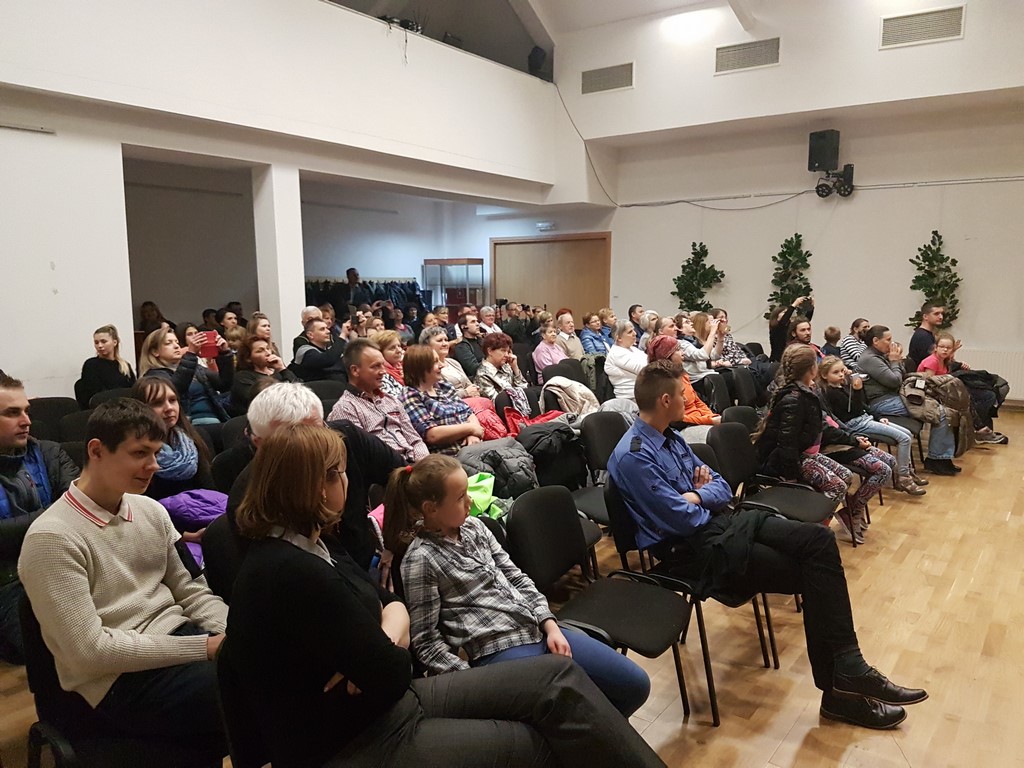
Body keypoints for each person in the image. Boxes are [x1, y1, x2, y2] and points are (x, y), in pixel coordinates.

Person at [222, 423, 665, 768]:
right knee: (538, 743)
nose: (349, 482)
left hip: (388, 701)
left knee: (558, 680)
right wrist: (385, 642)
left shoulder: (318, 543)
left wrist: (382, 634)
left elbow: (389, 606)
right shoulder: (290, 571)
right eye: (340, 473)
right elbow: (394, 668)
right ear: (317, 487)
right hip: (359, 735)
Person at [609, 361, 927, 730]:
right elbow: (682, 519)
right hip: (690, 551)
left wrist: (697, 495)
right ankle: (842, 689)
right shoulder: (635, 454)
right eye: (682, 394)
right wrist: (702, 497)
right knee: (814, 575)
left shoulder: (671, 438)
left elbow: (721, 486)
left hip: (723, 525)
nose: (687, 399)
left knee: (819, 541)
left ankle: (849, 673)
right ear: (665, 401)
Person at [18, 398, 228, 757]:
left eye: (156, 453)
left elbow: (193, 591)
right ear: (96, 451)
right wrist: (206, 648)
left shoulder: (151, 511)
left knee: (273, 663)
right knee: (259, 689)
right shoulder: (51, 538)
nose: (153, 465)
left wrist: (233, 635)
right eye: (140, 453)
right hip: (119, 680)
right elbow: (89, 653)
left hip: (179, 643)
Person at [385, 455, 651, 717]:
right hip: (498, 651)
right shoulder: (420, 559)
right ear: (431, 509)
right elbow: (426, 642)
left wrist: (550, 625)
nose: (471, 501)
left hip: (535, 628)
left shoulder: (475, 527)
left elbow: (517, 578)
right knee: (579, 710)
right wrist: (470, 682)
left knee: (635, 685)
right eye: (460, 497)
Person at [0, 375, 79, 664]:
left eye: (26, 411)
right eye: (12, 413)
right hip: (9, 583)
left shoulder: (49, 453)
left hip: (64, 564)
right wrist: (56, 516)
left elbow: (81, 510)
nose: (26, 421)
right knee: (55, 650)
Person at [753, 345, 872, 537]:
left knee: (846, 475)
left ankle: (815, 525)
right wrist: (791, 478)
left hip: (802, 453)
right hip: (783, 461)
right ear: (812, 369)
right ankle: (811, 534)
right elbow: (787, 444)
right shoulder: (794, 398)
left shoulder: (807, 391)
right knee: (837, 486)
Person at [857, 325, 959, 475]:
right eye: (888, 340)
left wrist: (897, 362)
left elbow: (902, 376)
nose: (892, 343)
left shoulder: (880, 355)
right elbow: (894, 382)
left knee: (942, 408)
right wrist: (894, 362)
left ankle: (941, 458)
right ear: (876, 341)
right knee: (940, 412)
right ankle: (937, 459)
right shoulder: (870, 359)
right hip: (882, 403)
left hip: (894, 397)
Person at [817, 356, 927, 495]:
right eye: (836, 372)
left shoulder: (842, 385)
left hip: (865, 418)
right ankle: (904, 477)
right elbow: (855, 410)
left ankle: (907, 470)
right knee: (904, 438)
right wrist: (857, 390)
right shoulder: (830, 393)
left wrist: (879, 417)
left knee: (908, 434)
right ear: (824, 375)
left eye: (842, 371)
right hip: (855, 424)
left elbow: (864, 405)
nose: (841, 375)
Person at [328, 339, 429, 463]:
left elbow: (415, 440)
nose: (383, 371)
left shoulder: (391, 400)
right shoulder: (346, 408)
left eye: (383, 365)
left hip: (415, 464)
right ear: (355, 370)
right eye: (376, 366)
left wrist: (424, 464)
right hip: (388, 470)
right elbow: (365, 457)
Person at [131, 378, 214, 502]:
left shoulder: (196, 437)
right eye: (157, 403)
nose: (169, 408)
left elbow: (210, 490)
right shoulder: (134, 449)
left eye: (172, 400)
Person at [918, 332, 1005, 444]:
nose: (945, 350)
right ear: (936, 348)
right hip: (931, 394)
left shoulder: (944, 360)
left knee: (973, 396)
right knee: (966, 399)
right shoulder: (932, 361)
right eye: (942, 347)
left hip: (942, 391)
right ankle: (979, 430)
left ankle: (979, 429)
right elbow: (929, 382)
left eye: (948, 348)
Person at [138, 326, 234, 425]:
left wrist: (224, 353)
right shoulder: (154, 376)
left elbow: (224, 384)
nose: (176, 346)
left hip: (215, 418)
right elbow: (177, 388)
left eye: (177, 342)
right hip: (189, 424)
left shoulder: (195, 368)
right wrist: (191, 354)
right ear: (155, 352)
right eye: (168, 343)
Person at [400, 346, 484, 455]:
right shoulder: (411, 396)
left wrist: (473, 434)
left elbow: (468, 413)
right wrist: (470, 429)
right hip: (449, 457)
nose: (442, 365)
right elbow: (432, 435)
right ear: (420, 367)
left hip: (473, 449)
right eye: (435, 362)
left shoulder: (444, 386)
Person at [646, 335, 719, 443]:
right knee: (721, 437)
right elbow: (675, 419)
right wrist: (709, 420)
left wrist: (711, 416)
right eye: (678, 350)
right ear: (667, 355)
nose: (682, 353)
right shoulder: (661, 382)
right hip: (684, 428)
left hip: (700, 420)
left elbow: (697, 401)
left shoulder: (682, 373)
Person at [231, 336, 297, 412]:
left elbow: (298, 388)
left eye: (268, 348)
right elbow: (261, 401)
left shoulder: (278, 370)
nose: (268, 353)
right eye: (260, 351)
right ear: (248, 358)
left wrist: (282, 368)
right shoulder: (243, 377)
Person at [78, 324, 136, 407]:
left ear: (115, 342)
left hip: (125, 407)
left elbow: (133, 391)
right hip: (103, 408)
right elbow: (94, 394)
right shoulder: (91, 365)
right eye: (96, 342)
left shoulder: (125, 366)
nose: (100, 346)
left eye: (103, 341)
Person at [421, 326, 482, 399]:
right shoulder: (428, 367)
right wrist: (465, 392)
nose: (445, 344)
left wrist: (475, 391)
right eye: (440, 340)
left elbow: (469, 385)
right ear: (427, 345)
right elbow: (439, 397)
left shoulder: (453, 362)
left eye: (446, 340)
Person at [474, 332, 528, 400]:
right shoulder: (482, 375)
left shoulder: (506, 367)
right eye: (503, 351)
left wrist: (515, 368)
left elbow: (524, 389)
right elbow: (496, 402)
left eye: (508, 352)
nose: (507, 355)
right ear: (490, 351)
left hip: (519, 403)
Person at [292, 317, 347, 382]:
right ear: (310, 335)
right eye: (322, 329)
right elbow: (327, 360)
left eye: (327, 328)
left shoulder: (329, 350)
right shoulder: (304, 351)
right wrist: (343, 335)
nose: (328, 331)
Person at [605, 321, 648, 400]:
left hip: (642, 393)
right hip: (631, 398)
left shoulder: (633, 349)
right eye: (630, 332)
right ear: (619, 338)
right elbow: (645, 369)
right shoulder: (616, 353)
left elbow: (650, 361)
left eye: (633, 330)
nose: (635, 333)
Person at [768, 295, 813, 362]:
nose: (787, 314)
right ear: (776, 316)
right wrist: (795, 304)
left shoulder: (789, 326)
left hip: (791, 358)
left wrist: (810, 306)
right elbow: (783, 321)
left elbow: (804, 321)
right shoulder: (776, 328)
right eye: (784, 312)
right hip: (778, 361)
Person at [907, 300, 946, 371]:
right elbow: (933, 361)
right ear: (925, 316)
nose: (941, 317)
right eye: (936, 314)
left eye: (942, 314)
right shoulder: (923, 337)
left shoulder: (926, 334)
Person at [451, 313, 486, 378]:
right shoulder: (461, 346)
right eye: (473, 322)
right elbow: (474, 369)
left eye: (477, 321)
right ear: (464, 326)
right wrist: (493, 361)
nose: (477, 324)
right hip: (476, 380)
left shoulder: (482, 341)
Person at [373, 329, 406, 397]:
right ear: (380, 352)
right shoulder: (381, 375)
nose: (399, 350)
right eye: (392, 348)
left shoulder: (404, 367)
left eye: (399, 346)